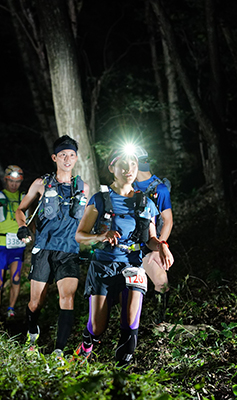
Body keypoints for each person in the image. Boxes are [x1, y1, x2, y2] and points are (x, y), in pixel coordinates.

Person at [73, 147, 174, 366]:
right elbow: (80, 235)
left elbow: (151, 238)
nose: (129, 169)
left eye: (134, 164)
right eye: (124, 164)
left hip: (133, 266)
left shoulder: (146, 203)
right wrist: (101, 236)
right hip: (103, 265)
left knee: (130, 325)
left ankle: (120, 377)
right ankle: (86, 345)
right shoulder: (99, 199)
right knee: (98, 327)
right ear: (112, 168)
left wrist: (162, 246)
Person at [15, 135, 89, 358]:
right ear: (55, 158)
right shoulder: (41, 183)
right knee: (36, 302)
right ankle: (31, 334)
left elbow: (88, 217)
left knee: (67, 298)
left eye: (72, 155)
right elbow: (21, 209)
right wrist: (22, 227)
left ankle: (58, 350)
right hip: (44, 249)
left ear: (76, 159)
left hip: (69, 251)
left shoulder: (82, 186)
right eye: (63, 155)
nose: (68, 159)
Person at [132, 148, 174, 324]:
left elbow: (168, 220)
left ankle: (160, 322)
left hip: (149, 243)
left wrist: (160, 247)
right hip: (127, 243)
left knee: (161, 282)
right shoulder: (127, 185)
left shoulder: (159, 189)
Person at [0, 165, 27, 323]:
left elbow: (31, 219)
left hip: (18, 244)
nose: (14, 184)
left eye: (17, 181)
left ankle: (11, 310)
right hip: (0, 244)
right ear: (5, 180)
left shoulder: (24, 197)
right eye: (11, 181)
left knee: (16, 278)